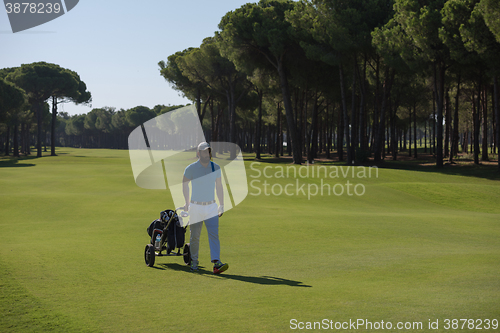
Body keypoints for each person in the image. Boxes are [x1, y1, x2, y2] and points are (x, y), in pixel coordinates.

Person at [183, 142, 228, 274]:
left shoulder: (216, 167)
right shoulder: (191, 168)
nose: (206, 154)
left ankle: (216, 263)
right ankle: (194, 262)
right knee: (195, 237)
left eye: (208, 151)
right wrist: (186, 203)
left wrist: (221, 204)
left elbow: (219, 186)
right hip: (196, 206)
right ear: (198, 153)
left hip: (212, 207)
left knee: (214, 235)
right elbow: (184, 184)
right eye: (203, 151)